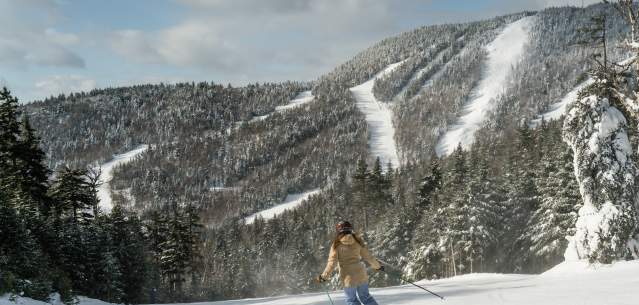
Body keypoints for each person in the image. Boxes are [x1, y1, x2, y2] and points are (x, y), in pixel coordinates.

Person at [316, 221, 384, 305]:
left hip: (348, 278)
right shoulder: (357, 242)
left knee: (352, 301)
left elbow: (332, 263)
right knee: (366, 298)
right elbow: (368, 257)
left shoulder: (336, 245)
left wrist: (324, 277)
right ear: (350, 229)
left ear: (338, 231)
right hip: (361, 275)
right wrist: (378, 266)